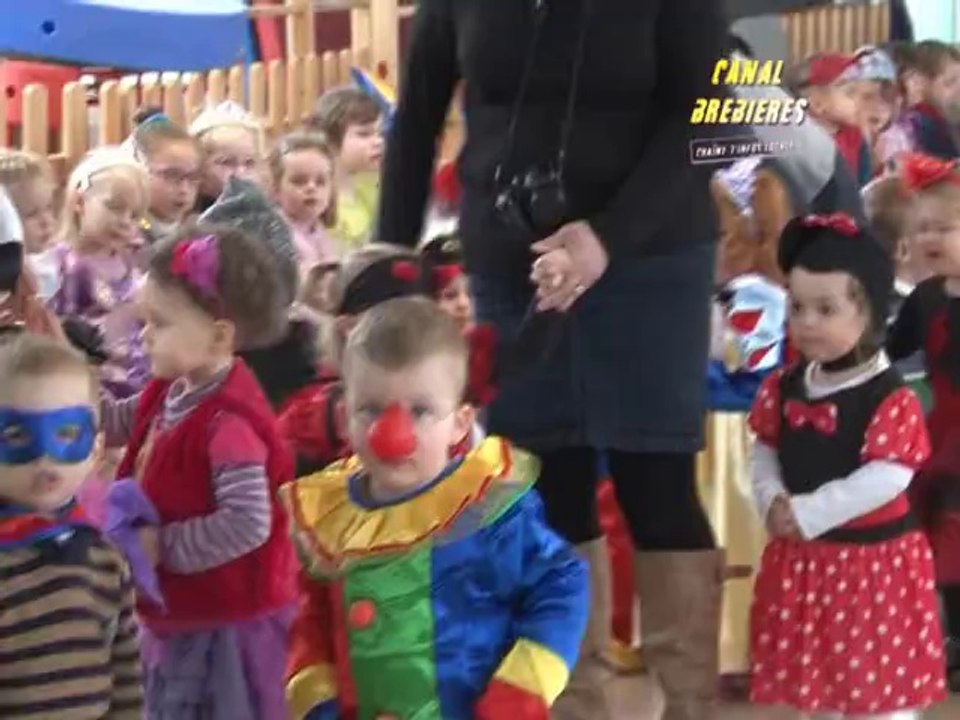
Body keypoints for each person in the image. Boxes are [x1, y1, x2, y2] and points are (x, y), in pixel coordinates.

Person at [378, 3, 729, 718]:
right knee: (544, 483)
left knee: (654, 481)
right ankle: (569, 702)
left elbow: (714, 121)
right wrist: (386, 258)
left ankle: (691, 705)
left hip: (651, 254)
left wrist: (607, 237)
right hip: (515, 263)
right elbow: (414, 118)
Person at [282, 296, 589, 720]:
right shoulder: (329, 518)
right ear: (343, 417)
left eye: (421, 411)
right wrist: (319, 699)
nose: (392, 434)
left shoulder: (485, 511)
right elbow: (310, 614)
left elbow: (563, 583)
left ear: (460, 423)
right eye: (369, 410)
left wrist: (520, 690)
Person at [748, 212, 946, 719]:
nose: (806, 321)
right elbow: (765, 448)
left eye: (825, 309)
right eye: (797, 306)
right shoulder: (785, 386)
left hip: (871, 570)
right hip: (809, 566)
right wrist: (771, 498)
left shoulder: (888, 397)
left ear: (867, 314)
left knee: (878, 696)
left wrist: (811, 511)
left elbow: (889, 475)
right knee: (821, 692)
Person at [101, 227, 298, 719]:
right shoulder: (175, 387)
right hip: (181, 615)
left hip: (224, 629)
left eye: (159, 324)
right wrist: (73, 403)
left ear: (219, 335)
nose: (144, 337)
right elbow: (126, 418)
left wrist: (162, 546)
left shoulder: (227, 423)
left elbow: (249, 522)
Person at [0, 334, 142, 718]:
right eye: (17, 435)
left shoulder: (103, 558)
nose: (46, 457)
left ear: (95, 451)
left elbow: (125, 672)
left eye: (66, 434)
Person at [887, 152, 960, 691]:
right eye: (924, 228)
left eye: (946, 227)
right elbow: (893, 351)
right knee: (944, 542)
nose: (932, 237)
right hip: (941, 436)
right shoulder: (926, 297)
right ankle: (950, 638)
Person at [48, 148, 150, 399]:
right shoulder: (61, 263)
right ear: (79, 202)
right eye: (115, 208)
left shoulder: (135, 258)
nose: (126, 221)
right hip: (89, 385)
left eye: (135, 215)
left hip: (139, 379)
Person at [308, 86, 383, 250]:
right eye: (364, 134)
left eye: (380, 133)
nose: (378, 142)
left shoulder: (372, 187)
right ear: (328, 140)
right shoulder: (320, 204)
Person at [786, 53, 873, 186]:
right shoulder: (794, 143)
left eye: (863, 92)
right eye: (850, 92)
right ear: (817, 104)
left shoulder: (856, 139)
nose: (861, 99)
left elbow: (863, 191)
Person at [125, 109, 202, 247]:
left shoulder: (197, 229)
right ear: (140, 172)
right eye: (172, 175)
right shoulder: (127, 236)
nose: (184, 189)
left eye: (192, 177)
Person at [270, 131, 340, 270]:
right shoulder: (274, 234)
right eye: (299, 181)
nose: (311, 188)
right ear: (276, 189)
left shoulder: (321, 231)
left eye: (320, 182)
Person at [189, 101, 264, 214]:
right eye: (227, 162)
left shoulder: (264, 218)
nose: (240, 174)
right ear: (200, 168)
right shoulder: (183, 220)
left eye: (249, 163)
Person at [904, 41, 960, 160]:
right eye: (949, 82)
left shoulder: (948, 116)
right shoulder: (920, 124)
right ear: (920, 84)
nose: (958, 89)